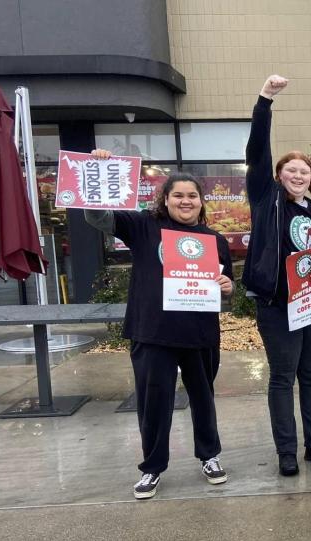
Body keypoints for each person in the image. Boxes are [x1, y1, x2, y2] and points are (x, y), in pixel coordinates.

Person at [85, 151, 234, 499]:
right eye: (178, 195)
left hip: (199, 334)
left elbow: (224, 293)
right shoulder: (143, 226)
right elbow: (97, 219)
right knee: (154, 403)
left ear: (201, 202)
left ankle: (209, 456)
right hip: (152, 333)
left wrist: (228, 289)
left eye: (192, 196)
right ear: (165, 199)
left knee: (203, 398)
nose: (186, 201)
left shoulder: (215, 240)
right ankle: (152, 467)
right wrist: (98, 171)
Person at [242, 75, 311, 477]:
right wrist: (265, 101)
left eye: (304, 170)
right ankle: (287, 451)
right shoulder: (266, 200)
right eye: (291, 170)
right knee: (282, 379)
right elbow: (256, 153)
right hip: (278, 306)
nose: (298, 175)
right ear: (279, 175)